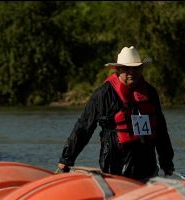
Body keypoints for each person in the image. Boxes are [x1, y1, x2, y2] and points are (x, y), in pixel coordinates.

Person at [57, 46, 175, 181]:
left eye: (136, 68)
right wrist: (67, 158)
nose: (132, 72)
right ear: (118, 69)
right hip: (115, 164)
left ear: (141, 69)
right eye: (126, 68)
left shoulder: (150, 92)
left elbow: (161, 129)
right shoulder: (103, 94)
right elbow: (84, 127)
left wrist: (167, 163)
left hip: (146, 165)